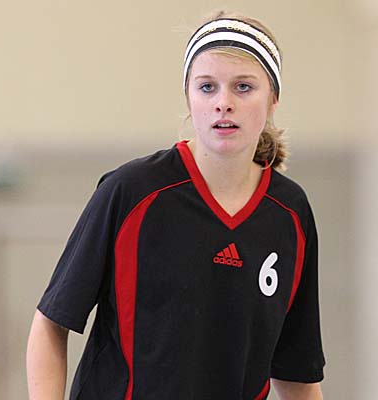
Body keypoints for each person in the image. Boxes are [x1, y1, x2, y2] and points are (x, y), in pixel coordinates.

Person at [27, 10, 325, 400]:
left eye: (243, 87)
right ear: (188, 96)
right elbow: (51, 323)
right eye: (207, 87)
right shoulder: (131, 192)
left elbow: (297, 374)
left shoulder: (290, 213)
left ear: (273, 99)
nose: (223, 103)